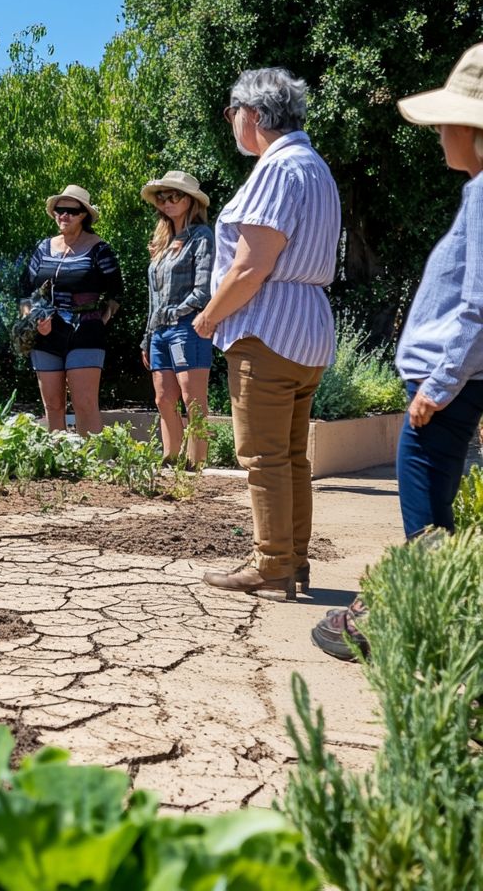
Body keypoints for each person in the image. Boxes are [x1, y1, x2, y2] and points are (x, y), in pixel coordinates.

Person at [314, 43, 483, 659]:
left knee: (426, 525)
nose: (440, 132)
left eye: (448, 121)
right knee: (432, 517)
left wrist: (437, 387)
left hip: (446, 387)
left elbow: (476, 306)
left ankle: (420, 634)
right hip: (455, 382)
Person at [192, 67, 341, 602]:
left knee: (262, 456)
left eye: (232, 112)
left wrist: (209, 317)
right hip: (306, 329)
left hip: (268, 327)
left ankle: (273, 566)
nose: (231, 123)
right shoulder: (315, 167)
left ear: (254, 114)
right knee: (290, 456)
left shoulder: (278, 170)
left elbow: (251, 268)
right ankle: (289, 559)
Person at [20, 185, 123, 435]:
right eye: (59, 210)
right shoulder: (42, 248)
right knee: (52, 405)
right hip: (46, 336)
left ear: (83, 215)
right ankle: (60, 463)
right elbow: (23, 292)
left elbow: (116, 293)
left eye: (71, 211)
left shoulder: (100, 250)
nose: (63, 216)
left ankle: (95, 464)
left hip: (86, 332)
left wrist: (99, 319)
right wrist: (32, 320)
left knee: (84, 403)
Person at [140, 171, 214, 465]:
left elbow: (203, 290)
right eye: (162, 197)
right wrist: (147, 336)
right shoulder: (161, 241)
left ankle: (197, 464)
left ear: (190, 201)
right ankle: (171, 459)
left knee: (192, 399)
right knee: (163, 398)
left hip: (188, 327)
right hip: (159, 331)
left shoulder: (201, 237)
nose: (167, 202)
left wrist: (175, 312)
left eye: (175, 196)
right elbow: (153, 296)